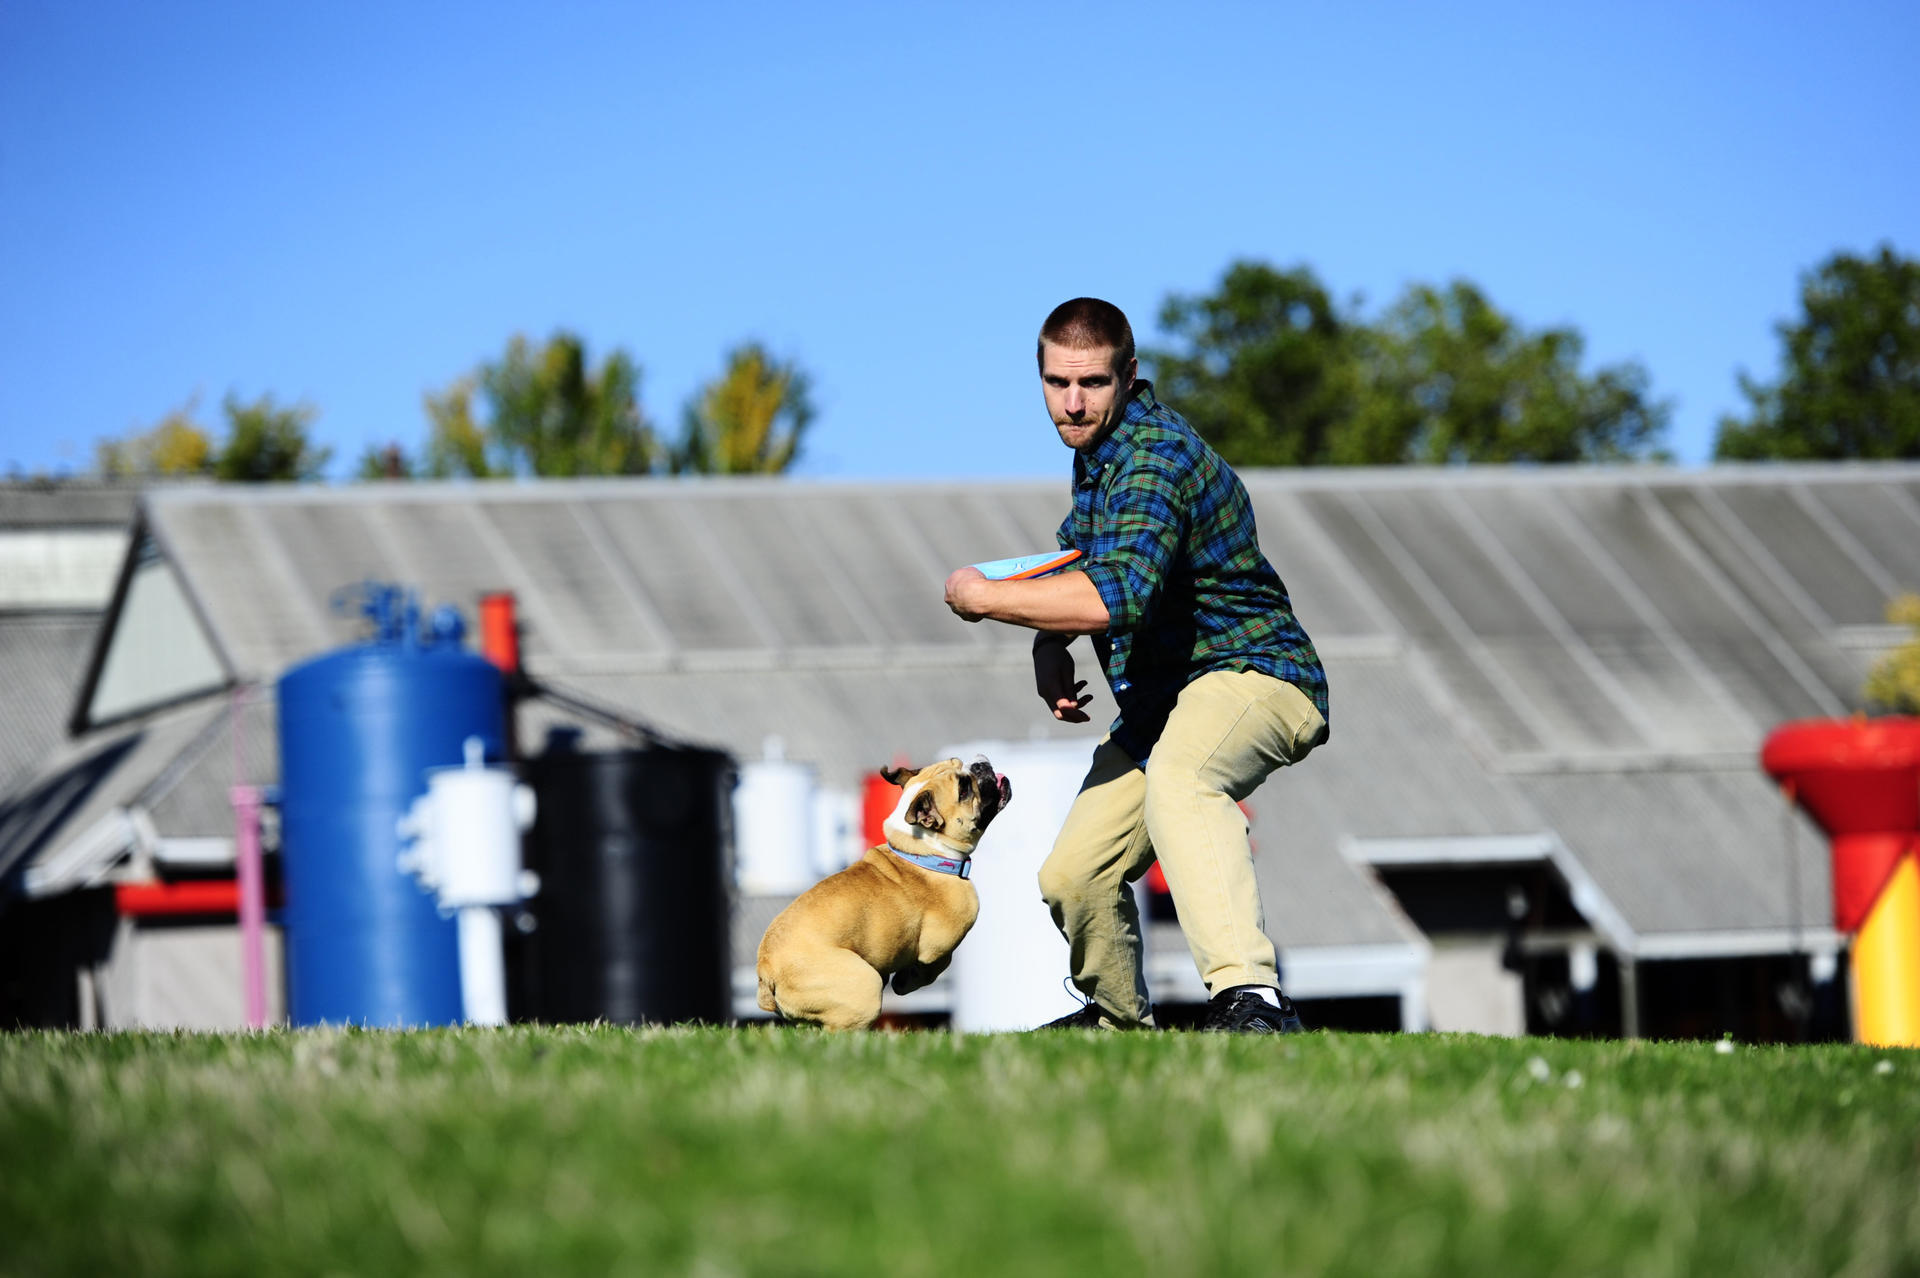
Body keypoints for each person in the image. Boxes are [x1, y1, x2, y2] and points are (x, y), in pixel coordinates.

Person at [943, 297, 1330, 1033]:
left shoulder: (1154, 457)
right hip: (1167, 702)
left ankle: (1253, 1000)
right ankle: (1121, 1027)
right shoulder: (1098, 464)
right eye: (1058, 384)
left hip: (1256, 673)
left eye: (1091, 383)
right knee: (1073, 875)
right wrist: (1046, 644)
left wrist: (986, 599)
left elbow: (1114, 595)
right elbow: (1078, 562)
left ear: (1129, 376)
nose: (1074, 403)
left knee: (1184, 782)